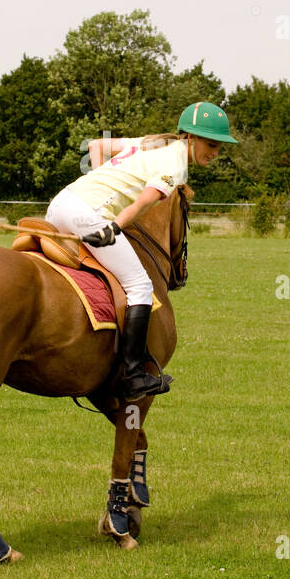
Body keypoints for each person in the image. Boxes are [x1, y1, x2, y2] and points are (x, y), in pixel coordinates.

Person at [45, 101, 238, 402]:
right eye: (211, 144)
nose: (214, 153)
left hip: (61, 204)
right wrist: (114, 224)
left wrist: (103, 186)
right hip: (88, 214)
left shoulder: (150, 144)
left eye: (219, 147)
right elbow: (145, 202)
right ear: (189, 137)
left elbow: (97, 145)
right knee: (140, 285)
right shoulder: (176, 165)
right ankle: (133, 374)